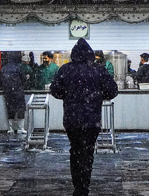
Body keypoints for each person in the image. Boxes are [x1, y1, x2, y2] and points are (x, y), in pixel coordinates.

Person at [50, 38, 118, 196]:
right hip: (91, 119)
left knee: (75, 150)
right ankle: (83, 186)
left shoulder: (65, 69)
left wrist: (68, 95)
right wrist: (97, 96)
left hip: (71, 119)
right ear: (91, 54)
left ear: (74, 54)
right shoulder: (98, 69)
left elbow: (55, 90)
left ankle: (77, 186)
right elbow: (112, 91)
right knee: (87, 152)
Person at [1, 51, 27, 134]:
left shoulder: (4, 68)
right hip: (18, 91)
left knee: (10, 110)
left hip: (8, 92)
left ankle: (11, 128)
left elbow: (0, 81)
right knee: (21, 110)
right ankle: (20, 128)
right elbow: (23, 79)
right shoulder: (18, 67)